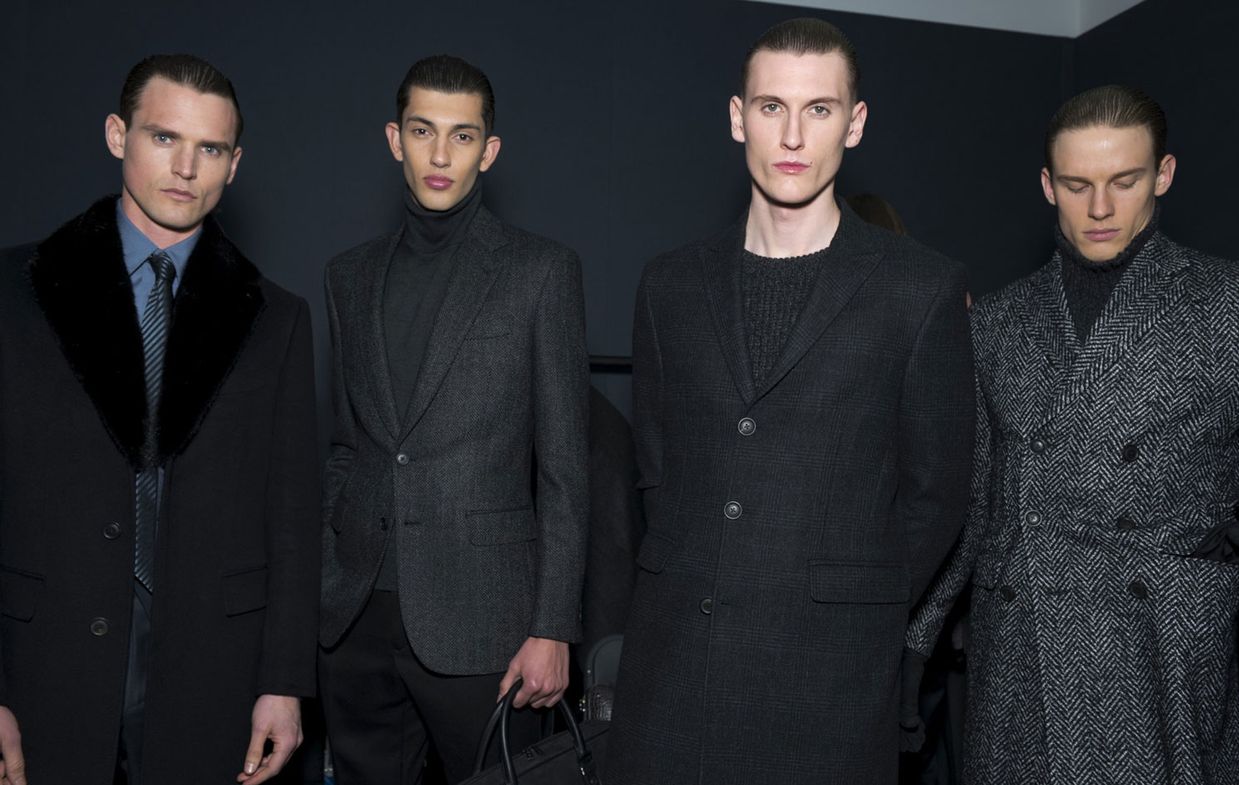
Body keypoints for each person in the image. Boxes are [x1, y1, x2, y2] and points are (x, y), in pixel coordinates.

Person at [606, 18, 975, 785]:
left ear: (856, 122)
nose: (794, 135)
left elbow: (937, 492)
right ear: (738, 117)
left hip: (828, 683)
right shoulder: (670, 284)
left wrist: (850, 603)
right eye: (772, 107)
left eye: (820, 109)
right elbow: (657, 467)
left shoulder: (921, 288)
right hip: (672, 671)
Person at [905, 84, 1239, 784]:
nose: (1101, 208)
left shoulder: (1237, 305)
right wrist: (913, 643)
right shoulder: (996, 322)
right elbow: (976, 507)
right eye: (1077, 185)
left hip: (1160, 659)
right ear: (1047, 186)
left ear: (1163, 174)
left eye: (1124, 181)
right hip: (1020, 665)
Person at [0, 54, 319, 785]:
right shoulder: (14, 293)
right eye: (163, 137)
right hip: (42, 658)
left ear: (233, 165)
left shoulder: (276, 319)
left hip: (212, 670)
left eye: (209, 149)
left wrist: (285, 681)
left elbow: (293, 516)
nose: (185, 167)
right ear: (118, 135)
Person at [318, 54, 589, 785]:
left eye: (462, 136)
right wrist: (327, 577)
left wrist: (554, 624)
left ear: (489, 151)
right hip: (355, 618)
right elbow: (345, 444)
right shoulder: (347, 275)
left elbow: (565, 467)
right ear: (393, 138)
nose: (440, 154)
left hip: (489, 626)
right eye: (423, 130)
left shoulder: (541, 271)